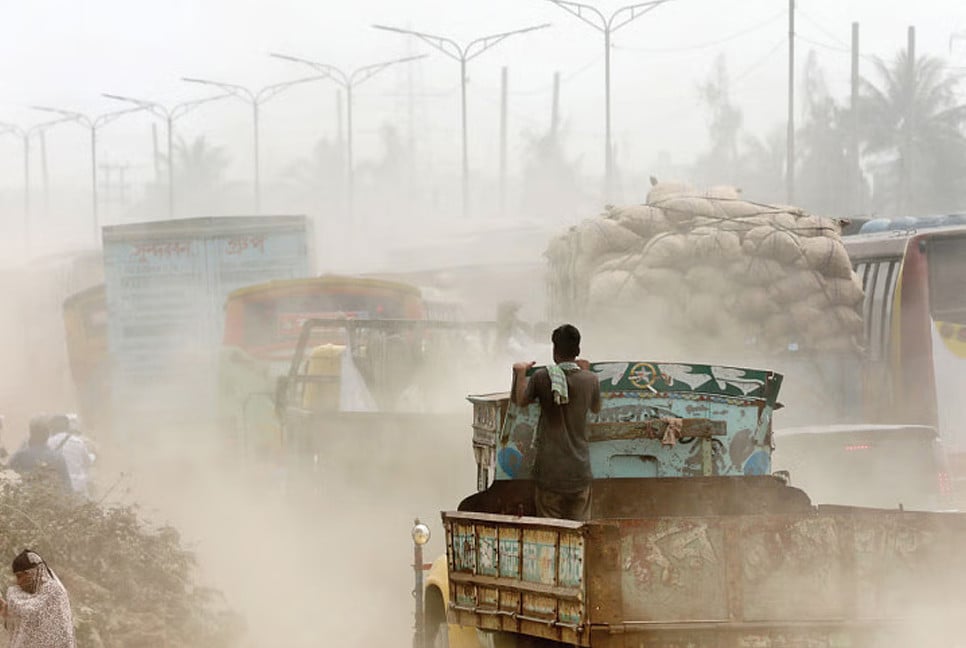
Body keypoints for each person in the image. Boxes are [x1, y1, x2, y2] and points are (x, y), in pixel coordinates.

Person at [512, 323, 601, 521]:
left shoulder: (541, 377)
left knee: (551, 534)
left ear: (554, 351)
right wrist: (585, 370)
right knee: (579, 534)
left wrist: (520, 373)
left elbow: (521, 401)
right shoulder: (591, 380)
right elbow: (595, 408)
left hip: (550, 473)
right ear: (577, 351)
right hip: (580, 471)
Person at [0, 549, 75, 647]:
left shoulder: (54, 591)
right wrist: (6, 611)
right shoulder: (24, 596)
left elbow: (32, 614)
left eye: (20, 576)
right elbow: (22, 627)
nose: (18, 582)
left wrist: (13, 604)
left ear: (33, 572)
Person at [7, 418, 71, 493]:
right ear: (47, 435)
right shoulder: (58, 458)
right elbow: (67, 486)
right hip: (52, 500)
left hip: (26, 499)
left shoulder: (19, 457)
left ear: (31, 434)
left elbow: (8, 478)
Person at [46, 415, 95, 498]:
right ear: (68, 427)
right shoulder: (78, 442)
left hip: (58, 487)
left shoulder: (48, 443)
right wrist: (92, 457)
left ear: (51, 428)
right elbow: (87, 463)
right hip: (78, 485)